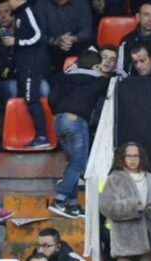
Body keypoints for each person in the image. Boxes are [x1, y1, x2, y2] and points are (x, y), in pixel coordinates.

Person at [48, 49, 109, 219]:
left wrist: (62, 111)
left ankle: (72, 204)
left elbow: (51, 99)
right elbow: (111, 88)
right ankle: (59, 200)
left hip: (58, 121)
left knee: (73, 162)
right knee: (79, 163)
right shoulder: (99, 80)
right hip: (76, 121)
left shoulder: (63, 77)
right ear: (96, 65)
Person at [8, 0, 51, 149]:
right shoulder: (19, 14)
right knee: (24, 99)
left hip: (31, 65)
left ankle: (42, 136)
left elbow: (38, 35)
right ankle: (27, 134)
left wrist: (17, 41)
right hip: (23, 65)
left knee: (32, 99)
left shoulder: (28, 12)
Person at [36, 0, 93, 71]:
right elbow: (38, 34)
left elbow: (86, 30)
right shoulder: (41, 4)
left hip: (77, 48)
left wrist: (73, 39)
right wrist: (55, 41)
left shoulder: (81, 2)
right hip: (50, 51)